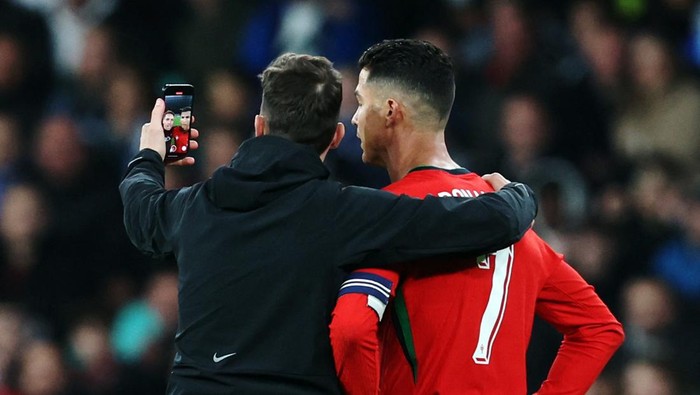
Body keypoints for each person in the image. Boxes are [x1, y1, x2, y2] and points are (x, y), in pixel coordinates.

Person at [120, 52, 538, 394]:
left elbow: (141, 213)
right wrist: (518, 194)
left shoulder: (195, 207)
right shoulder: (347, 213)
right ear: (336, 137)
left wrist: (151, 153)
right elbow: (483, 224)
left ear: (259, 126)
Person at [329, 39, 624, 395]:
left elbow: (351, 328)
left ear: (392, 111)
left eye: (361, 102)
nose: (355, 117)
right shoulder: (513, 223)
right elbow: (598, 328)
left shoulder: (391, 216)